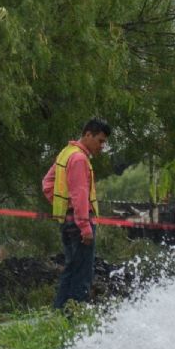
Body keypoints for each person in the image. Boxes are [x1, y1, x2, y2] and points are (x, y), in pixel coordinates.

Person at [42, 118, 112, 309]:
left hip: (67, 220)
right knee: (82, 272)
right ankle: (76, 316)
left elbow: (47, 184)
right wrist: (84, 226)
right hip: (80, 222)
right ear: (88, 135)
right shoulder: (80, 159)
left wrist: (63, 207)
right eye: (100, 141)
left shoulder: (66, 153)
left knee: (71, 268)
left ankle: (60, 312)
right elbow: (80, 194)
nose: (102, 146)